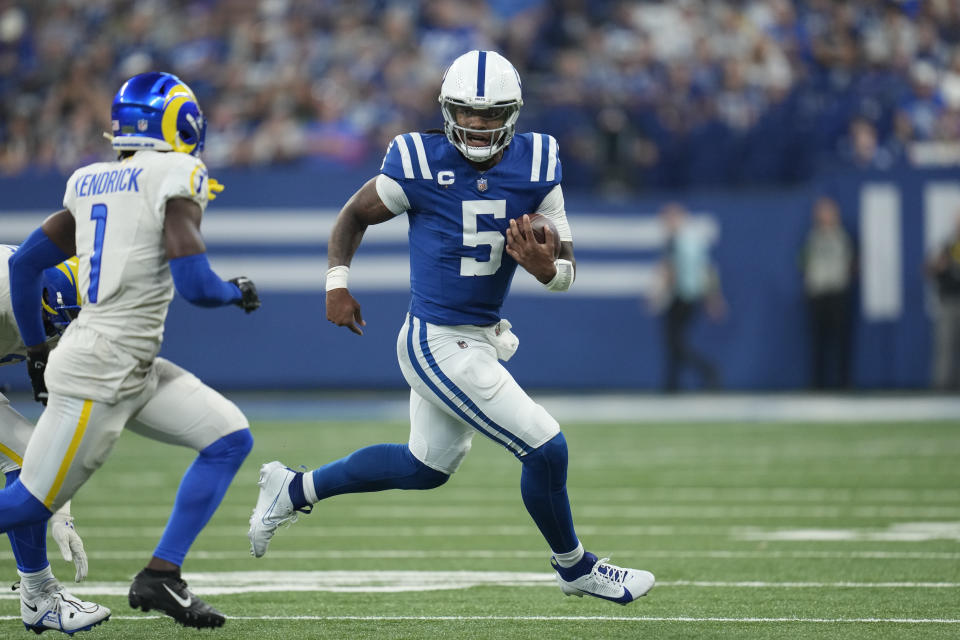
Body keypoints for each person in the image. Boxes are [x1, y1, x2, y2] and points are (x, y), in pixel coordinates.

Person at [249, 50, 655, 605]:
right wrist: (336, 284)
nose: (479, 125)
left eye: (492, 115)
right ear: (447, 110)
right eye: (468, 112)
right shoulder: (417, 159)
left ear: (513, 114)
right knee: (545, 448)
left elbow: (567, 269)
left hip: (479, 337)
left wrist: (548, 271)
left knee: (425, 468)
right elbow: (352, 214)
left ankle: (293, 489)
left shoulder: (538, 162)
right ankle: (574, 566)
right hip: (436, 339)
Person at [1, 72, 262, 630]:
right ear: (181, 122)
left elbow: (24, 265)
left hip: (126, 363)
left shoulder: (93, 180)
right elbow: (194, 284)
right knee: (26, 505)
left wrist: (38, 350)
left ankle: (161, 575)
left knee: (228, 438)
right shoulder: (178, 172)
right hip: (104, 370)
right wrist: (234, 291)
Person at [0, 247, 109, 634]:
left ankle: (39, 595)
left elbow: (61, 421)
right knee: (28, 456)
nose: (56, 335)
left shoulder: (76, 320)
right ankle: (39, 594)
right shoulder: (4, 288)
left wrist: (61, 513)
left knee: (31, 457)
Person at [656, 202, 725, 392]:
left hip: (683, 295)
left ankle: (708, 371)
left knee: (675, 342)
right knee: (674, 341)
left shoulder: (681, 240)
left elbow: (674, 270)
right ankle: (672, 384)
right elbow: (706, 269)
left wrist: (660, 293)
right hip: (688, 294)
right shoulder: (691, 239)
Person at [800, 196, 854, 390]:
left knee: (840, 341)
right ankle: (817, 382)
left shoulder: (841, 236)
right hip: (818, 293)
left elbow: (849, 263)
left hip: (837, 292)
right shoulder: (813, 237)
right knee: (818, 341)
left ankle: (843, 382)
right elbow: (805, 263)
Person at [927, 213, 960, 390]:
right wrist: (940, 265)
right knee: (946, 345)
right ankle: (942, 387)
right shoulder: (946, 245)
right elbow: (929, 268)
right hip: (949, 301)